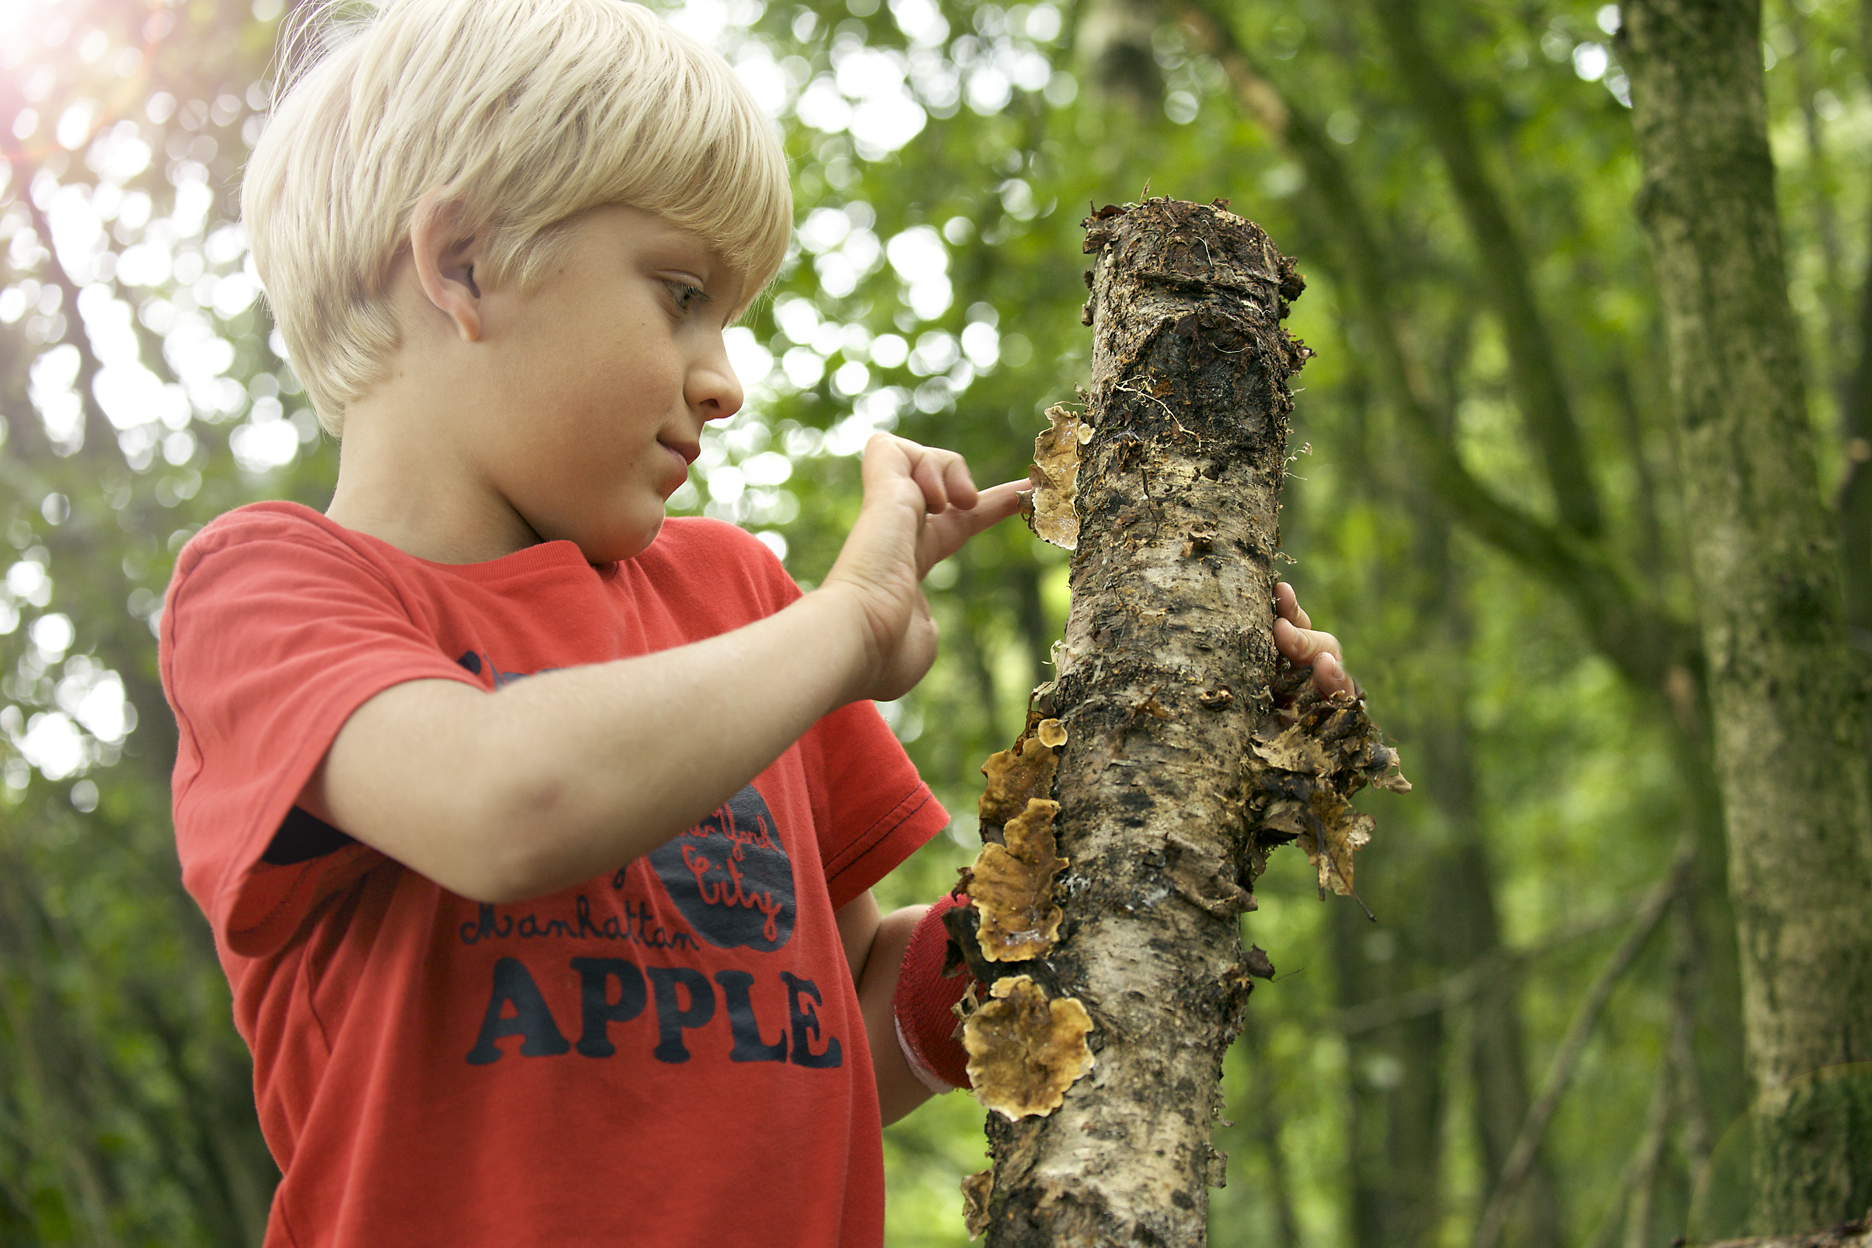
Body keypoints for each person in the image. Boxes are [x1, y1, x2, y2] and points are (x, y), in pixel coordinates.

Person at [158, 2, 1353, 1245]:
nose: (725, 379)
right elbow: (502, 800)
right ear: (459, 264)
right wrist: (849, 627)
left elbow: (857, 1020)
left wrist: (1175, 777)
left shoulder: (731, 599)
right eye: (680, 294)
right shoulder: (268, 592)